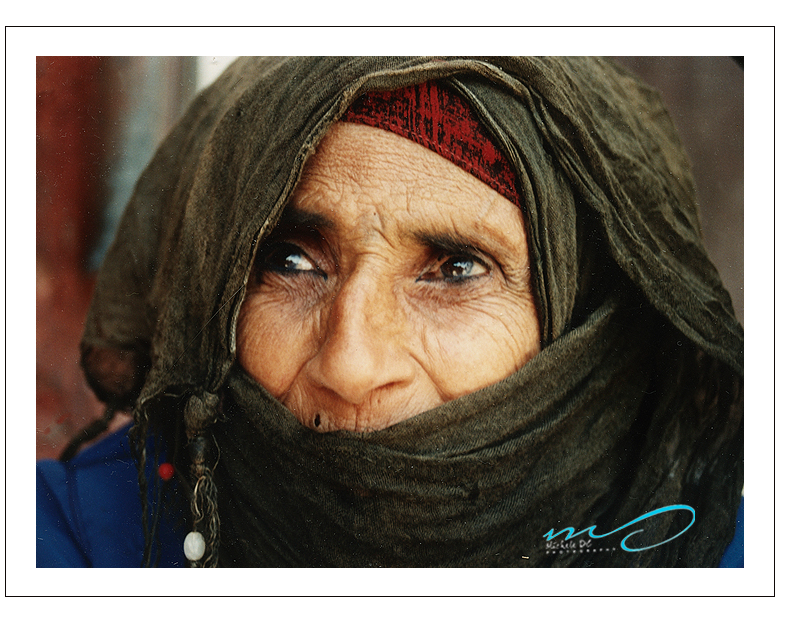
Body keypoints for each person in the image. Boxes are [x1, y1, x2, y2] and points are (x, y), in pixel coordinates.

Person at [36, 57, 744, 568]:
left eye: (456, 270)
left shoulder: (725, 563)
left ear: (585, 331)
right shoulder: (61, 542)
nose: (349, 364)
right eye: (289, 260)